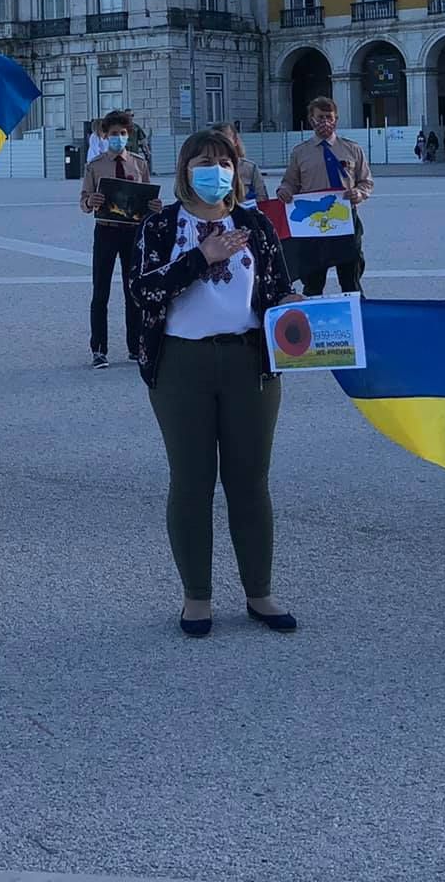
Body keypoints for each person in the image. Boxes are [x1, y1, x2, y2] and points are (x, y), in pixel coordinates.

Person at [131, 128, 303, 637]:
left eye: (224, 161)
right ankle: (197, 596)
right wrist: (199, 259)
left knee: (250, 482)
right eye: (203, 162)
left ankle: (260, 592)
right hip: (181, 364)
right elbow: (143, 290)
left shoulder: (254, 223)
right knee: (192, 480)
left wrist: (292, 307)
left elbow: (275, 287)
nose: (216, 170)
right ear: (184, 169)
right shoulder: (161, 225)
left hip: (249, 361)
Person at [277, 95, 374, 295]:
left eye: (329, 117)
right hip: (313, 225)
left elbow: (366, 181)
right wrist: (284, 191)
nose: (325, 122)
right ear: (311, 120)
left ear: (336, 119)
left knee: (351, 281)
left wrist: (359, 193)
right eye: (320, 117)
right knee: (313, 282)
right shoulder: (300, 153)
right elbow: (290, 182)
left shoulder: (352, 149)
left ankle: (358, 318)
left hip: (345, 220)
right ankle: (313, 321)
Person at [80, 109, 155, 368]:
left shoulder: (138, 164)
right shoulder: (95, 165)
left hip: (132, 232)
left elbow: (147, 197)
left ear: (128, 135)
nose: (118, 138)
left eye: (123, 134)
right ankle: (98, 348)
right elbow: (83, 202)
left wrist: (154, 206)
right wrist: (91, 200)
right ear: (104, 134)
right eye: (114, 134)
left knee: (132, 289)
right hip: (106, 229)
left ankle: (135, 346)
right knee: (100, 290)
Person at [216, 122, 265, 203]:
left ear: (235, 141)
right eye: (217, 141)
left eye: (225, 140)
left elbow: (262, 199)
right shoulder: (209, 169)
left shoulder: (250, 168)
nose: (221, 144)